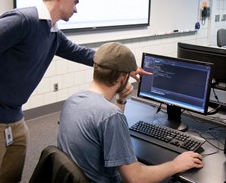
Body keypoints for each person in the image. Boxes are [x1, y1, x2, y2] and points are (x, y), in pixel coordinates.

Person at [0, 0, 147, 183]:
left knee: (10, 178)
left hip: (15, 120)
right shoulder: (23, 20)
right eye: (75, 1)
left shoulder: (53, 33)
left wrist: (127, 67)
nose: (76, 8)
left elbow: (82, 53)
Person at [57, 42, 204, 183]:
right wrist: (176, 164)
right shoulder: (110, 116)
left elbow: (106, 122)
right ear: (123, 78)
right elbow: (136, 179)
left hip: (82, 177)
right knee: (171, 175)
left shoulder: (73, 100)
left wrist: (121, 100)